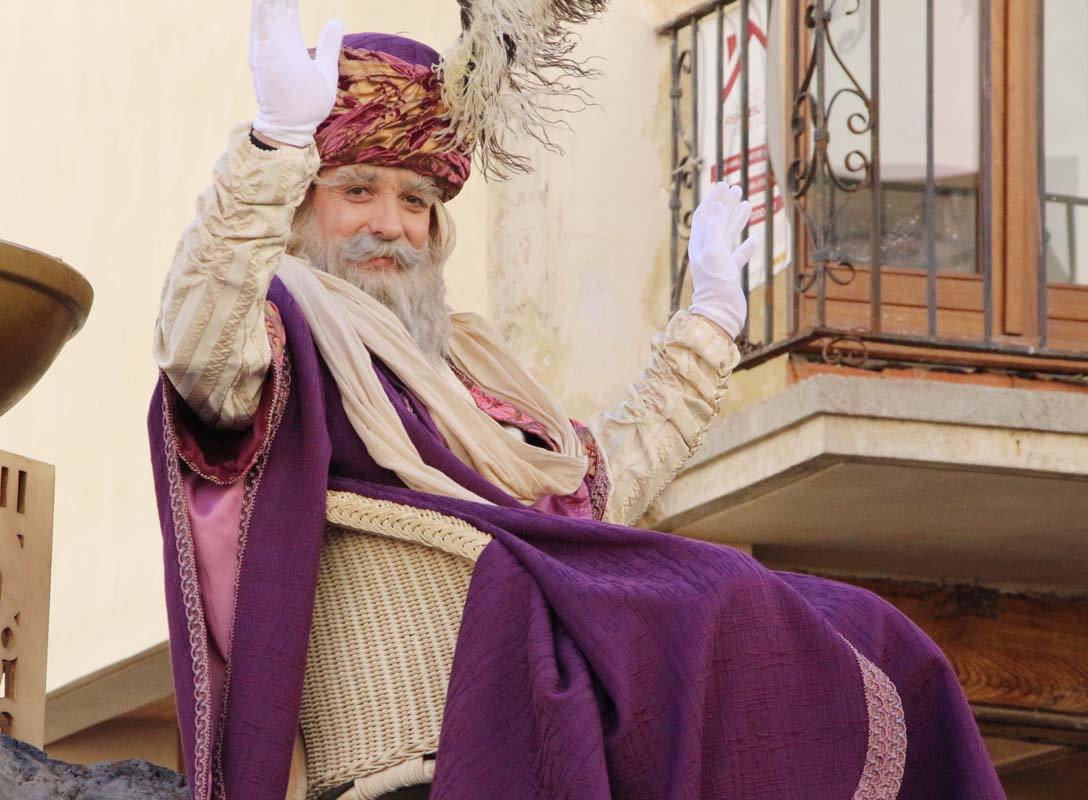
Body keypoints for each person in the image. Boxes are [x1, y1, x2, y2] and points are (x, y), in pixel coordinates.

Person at [149, 2, 1005, 798]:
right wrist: (270, 148)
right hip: (462, 687)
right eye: (359, 190)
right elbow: (197, 345)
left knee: (866, 627)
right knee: (717, 587)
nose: (393, 223)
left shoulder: (470, 368)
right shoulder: (277, 326)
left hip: (551, 634)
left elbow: (587, 497)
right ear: (303, 204)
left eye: (417, 200)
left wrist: (708, 323)